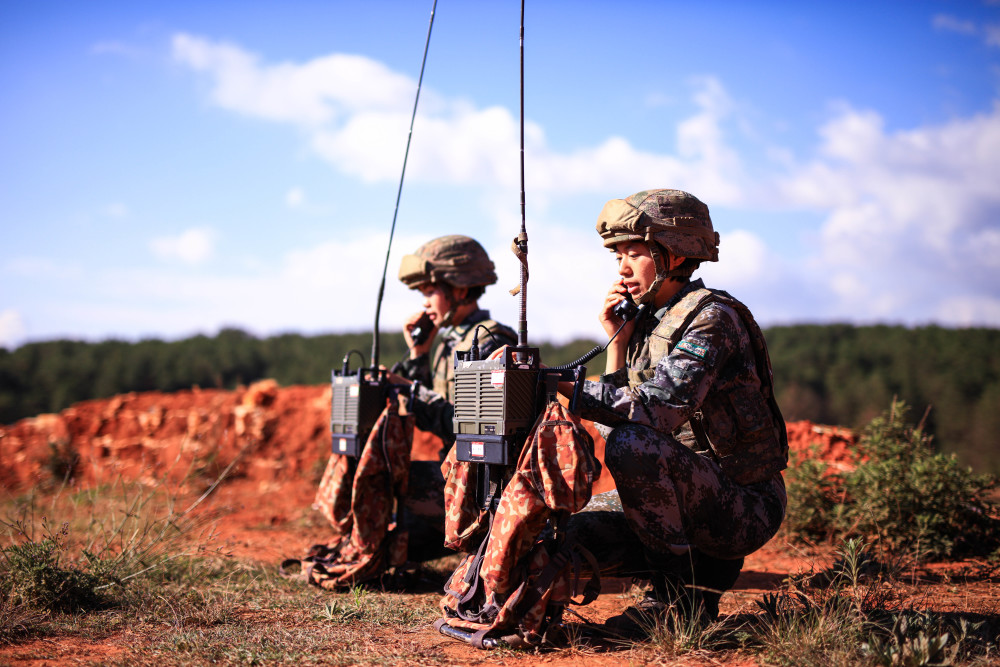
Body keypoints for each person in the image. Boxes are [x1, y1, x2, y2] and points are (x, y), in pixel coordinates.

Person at [567, 188, 788, 634]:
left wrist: (564, 388)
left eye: (634, 253)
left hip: (743, 504)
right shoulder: (646, 322)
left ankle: (679, 602)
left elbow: (658, 412)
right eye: (618, 256)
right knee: (558, 539)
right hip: (682, 497)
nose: (622, 268)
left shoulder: (712, 317)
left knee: (632, 443)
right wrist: (617, 342)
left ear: (676, 253)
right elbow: (615, 428)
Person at [389, 234, 518, 561]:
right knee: (394, 535)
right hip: (458, 473)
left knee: (398, 477)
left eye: (429, 291)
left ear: (459, 290)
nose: (425, 303)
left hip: (486, 482)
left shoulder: (489, 340)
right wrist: (418, 353)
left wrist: (411, 390)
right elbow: (426, 418)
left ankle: (485, 545)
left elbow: (472, 426)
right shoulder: (449, 342)